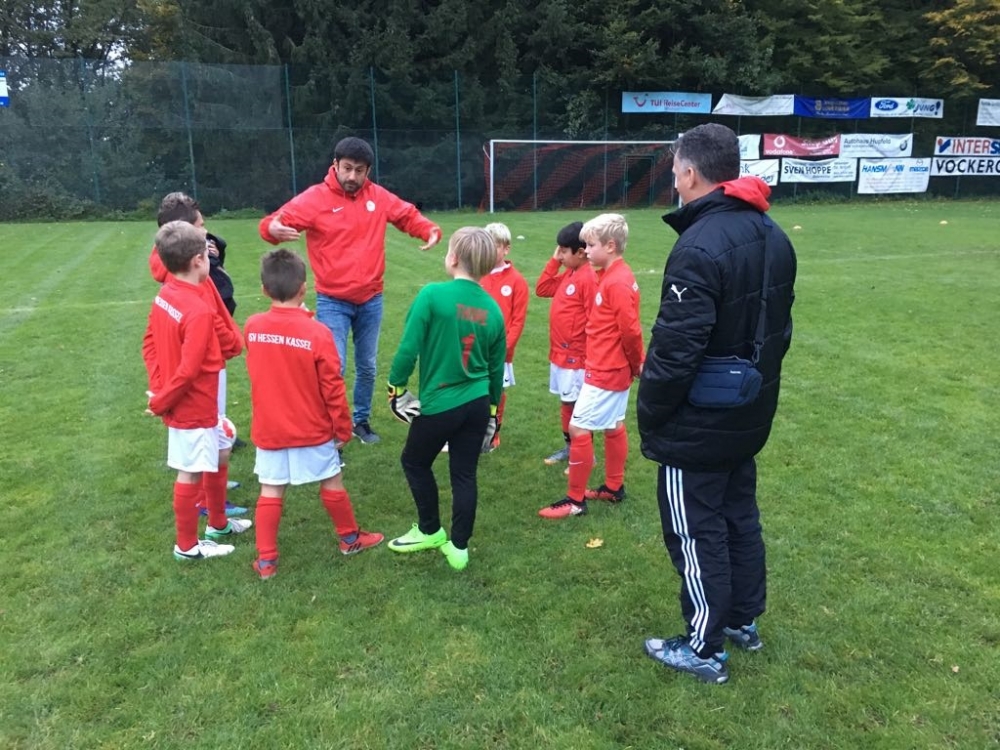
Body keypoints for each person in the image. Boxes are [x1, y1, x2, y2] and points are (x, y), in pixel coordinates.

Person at [637, 123, 797, 684]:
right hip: (748, 410)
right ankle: (741, 620)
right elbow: (781, 331)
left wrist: (653, 413)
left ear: (689, 173)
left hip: (701, 420)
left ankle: (704, 646)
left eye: (675, 169)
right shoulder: (772, 232)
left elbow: (675, 350)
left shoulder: (699, 246)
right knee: (736, 515)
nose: (673, 178)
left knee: (696, 528)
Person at [258, 136, 442, 446]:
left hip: (371, 299)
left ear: (368, 171)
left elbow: (406, 215)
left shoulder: (378, 196)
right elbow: (274, 222)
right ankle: (330, 428)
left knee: (367, 366)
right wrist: (271, 229)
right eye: (347, 168)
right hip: (333, 300)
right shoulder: (315, 199)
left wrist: (429, 229)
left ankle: (360, 421)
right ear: (335, 165)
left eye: (359, 170)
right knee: (334, 366)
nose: (352, 176)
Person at [244, 249, 383, 580]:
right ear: (304, 287)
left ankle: (266, 561)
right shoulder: (318, 333)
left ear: (264, 289)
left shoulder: (252, 326)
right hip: (313, 427)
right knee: (332, 481)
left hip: (270, 428)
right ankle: (349, 539)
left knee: (270, 488)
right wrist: (343, 428)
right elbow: (332, 387)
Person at [385, 227, 506, 571]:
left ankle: (430, 531)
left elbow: (408, 348)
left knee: (414, 462)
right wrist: (493, 413)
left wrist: (396, 388)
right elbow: (496, 370)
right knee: (464, 475)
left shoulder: (432, 295)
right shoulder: (493, 310)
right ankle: (459, 549)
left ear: (452, 258)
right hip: (478, 404)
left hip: (441, 403)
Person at [142, 221, 253, 560]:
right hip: (193, 406)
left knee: (222, 445)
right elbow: (189, 370)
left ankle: (218, 524)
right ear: (198, 260)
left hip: (194, 402)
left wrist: (160, 387)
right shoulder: (198, 310)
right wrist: (162, 400)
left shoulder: (166, 294)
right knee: (189, 472)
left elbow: (150, 343)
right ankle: (187, 547)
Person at [538, 214, 644, 519]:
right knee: (613, 424)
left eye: (591, 245)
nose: (586, 250)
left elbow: (631, 330)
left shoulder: (617, 281)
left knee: (578, 427)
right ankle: (613, 488)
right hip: (608, 367)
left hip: (606, 369)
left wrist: (637, 363)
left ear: (610, 246)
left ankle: (574, 501)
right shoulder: (609, 275)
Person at [534, 221, 597, 472]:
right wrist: (555, 261)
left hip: (576, 357)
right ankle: (571, 448)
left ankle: (585, 455)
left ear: (580, 252)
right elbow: (542, 288)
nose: (559, 255)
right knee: (566, 402)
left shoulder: (588, 277)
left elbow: (594, 319)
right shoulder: (571, 273)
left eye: (563, 251)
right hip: (560, 354)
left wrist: (587, 352)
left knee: (578, 407)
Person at [478, 222, 529, 452]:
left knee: (496, 392)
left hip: (500, 352)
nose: (490, 250)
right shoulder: (476, 275)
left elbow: (518, 321)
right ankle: (471, 431)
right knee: (472, 390)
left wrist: (504, 348)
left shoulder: (517, 281)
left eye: (495, 246)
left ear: (506, 248)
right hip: (474, 347)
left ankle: (493, 434)